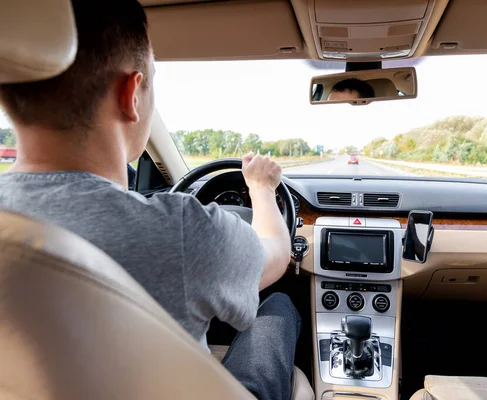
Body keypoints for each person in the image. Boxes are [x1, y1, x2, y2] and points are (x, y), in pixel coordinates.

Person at [0, 1, 300, 399]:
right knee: (278, 307)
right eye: (152, 82)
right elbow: (278, 254)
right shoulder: (181, 230)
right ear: (131, 94)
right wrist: (261, 189)